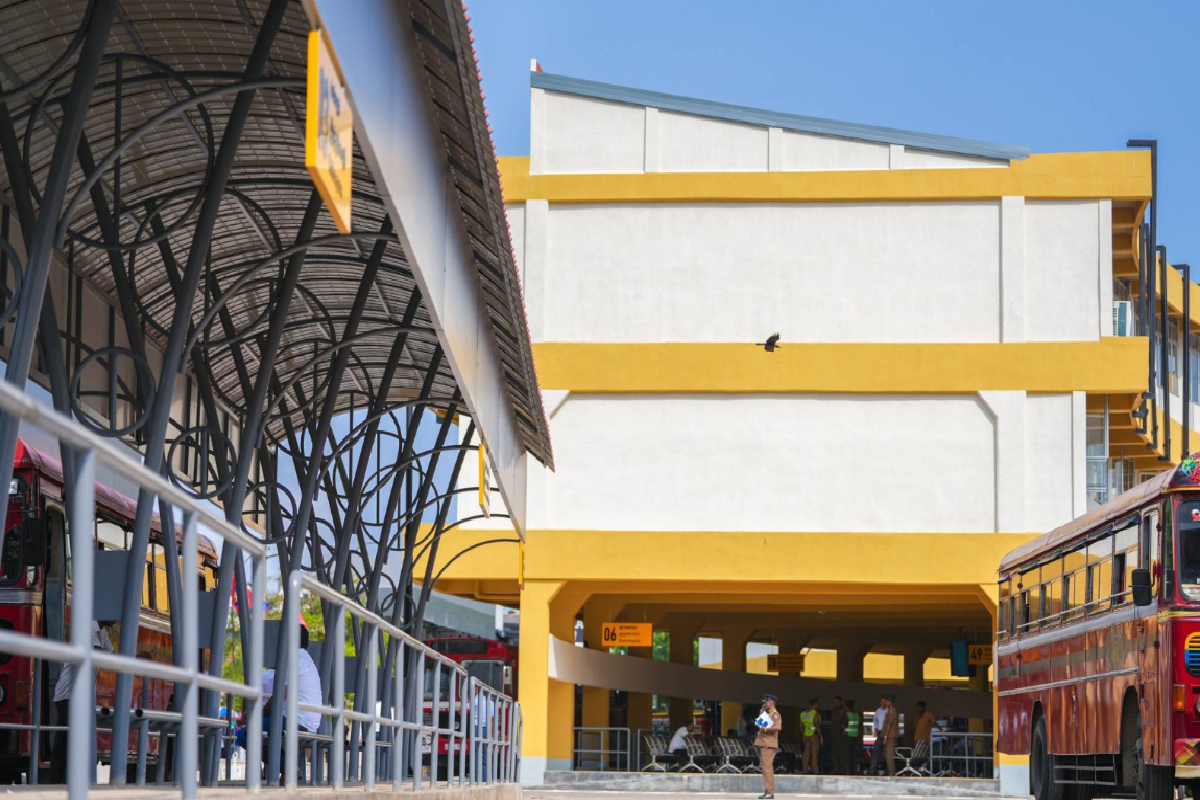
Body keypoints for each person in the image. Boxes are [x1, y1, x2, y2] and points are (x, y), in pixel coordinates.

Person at [235, 625, 324, 752]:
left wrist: (257, 715)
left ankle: (287, 768)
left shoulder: (293, 659)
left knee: (243, 735)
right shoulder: (306, 659)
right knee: (265, 736)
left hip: (294, 722)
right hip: (306, 723)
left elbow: (280, 695)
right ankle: (286, 768)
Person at [50, 620, 115, 784]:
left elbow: (110, 657)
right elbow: (98, 653)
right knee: (74, 741)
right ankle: (66, 782)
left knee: (64, 742)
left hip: (72, 696)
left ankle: (58, 782)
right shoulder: (89, 623)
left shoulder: (101, 630)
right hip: (69, 695)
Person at [754, 694, 782, 799]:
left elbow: (778, 727)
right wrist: (761, 715)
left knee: (767, 768)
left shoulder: (774, 714)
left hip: (769, 744)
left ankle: (770, 792)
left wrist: (765, 729)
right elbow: (760, 724)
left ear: (770, 703)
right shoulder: (768, 713)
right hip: (764, 743)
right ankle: (767, 791)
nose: (764, 704)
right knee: (765, 767)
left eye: (766, 702)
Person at [911, 701, 937, 770]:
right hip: (917, 738)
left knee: (924, 755)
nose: (918, 709)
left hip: (925, 739)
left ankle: (923, 769)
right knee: (917, 754)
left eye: (920, 707)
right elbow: (914, 727)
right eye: (917, 707)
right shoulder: (917, 716)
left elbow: (934, 722)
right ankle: (916, 769)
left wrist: (940, 730)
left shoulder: (928, 715)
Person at [799, 696, 822, 774]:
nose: (818, 706)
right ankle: (815, 770)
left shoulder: (803, 714)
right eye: (817, 704)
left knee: (806, 754)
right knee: (814, 754)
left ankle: (805, 769)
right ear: (814, 705)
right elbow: (816, 725)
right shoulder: (814, 713)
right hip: (814, 735)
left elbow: (801, 725)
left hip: (806, 735)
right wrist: (821, 736)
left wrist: (803, 735)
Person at [878, 694, 899, 776]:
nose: (885, 702)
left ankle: (891, 772)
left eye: (886, 701)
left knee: (889, 755)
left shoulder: (891, 711)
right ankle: (891, 771)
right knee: (886, 754)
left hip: (890, 736)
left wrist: (886, 736)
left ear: (890, 702)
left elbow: (889, 724)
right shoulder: (889, 710)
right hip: (888, 735)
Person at [868, 695, 889, 776]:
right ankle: (872, 770)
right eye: (881, 701)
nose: (882, 703)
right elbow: (875, 721)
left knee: (887, 753)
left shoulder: (889, 711)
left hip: (887, 732)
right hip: (880, 732)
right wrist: (876, 731)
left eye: (884, 701)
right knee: (876, 751)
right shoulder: (878, 711)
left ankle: (887, 770)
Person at [829, 695, 848, 774]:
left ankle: (843, 769)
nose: (836, 704)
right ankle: (836, 769)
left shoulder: (844, 711)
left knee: (841, 753)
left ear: (841, 702)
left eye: (837, 702)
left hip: (840, 734)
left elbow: (844, 721)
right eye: (835, 702)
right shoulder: (834, 711)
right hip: (834, 734)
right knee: (834, 753)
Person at [844, 700, 862, 775]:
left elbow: (844, 724)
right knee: (854, 755)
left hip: (848, 736)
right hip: (855, 736)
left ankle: (847, 771)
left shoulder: (847, 715)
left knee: (847, 755)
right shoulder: (857, 715)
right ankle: (854, 771)